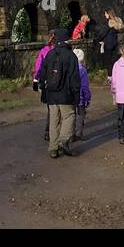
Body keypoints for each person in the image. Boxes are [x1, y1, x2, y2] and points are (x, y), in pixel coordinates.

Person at [36, 28, 81, 158]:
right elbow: (74, 78)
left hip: (51, 93)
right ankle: (63, 141)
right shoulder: (71, 56)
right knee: (69, 116)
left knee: (54, 120)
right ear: (66, 39)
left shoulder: (50, 54)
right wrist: (76, 96)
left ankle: (53, 148)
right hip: (65, 94)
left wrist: (43, 91)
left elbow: (43, 74)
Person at [32, 34, 56, 141]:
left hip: (45, 83)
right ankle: (52, 131)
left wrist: (35, 80)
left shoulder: (44, 51)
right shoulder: (58, 52)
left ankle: (48, 131)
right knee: (54, 109)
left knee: (50, 109)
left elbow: (38, 66)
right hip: (54, 83)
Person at [71, 47, 92, 142]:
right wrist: (87, 98)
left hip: (70, 97)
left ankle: (70, 134)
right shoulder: (82, 70)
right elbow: (84, 86)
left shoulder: (69, 69)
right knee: (81, 115)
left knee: (71, 116)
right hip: (80, 98)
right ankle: (78, 133)